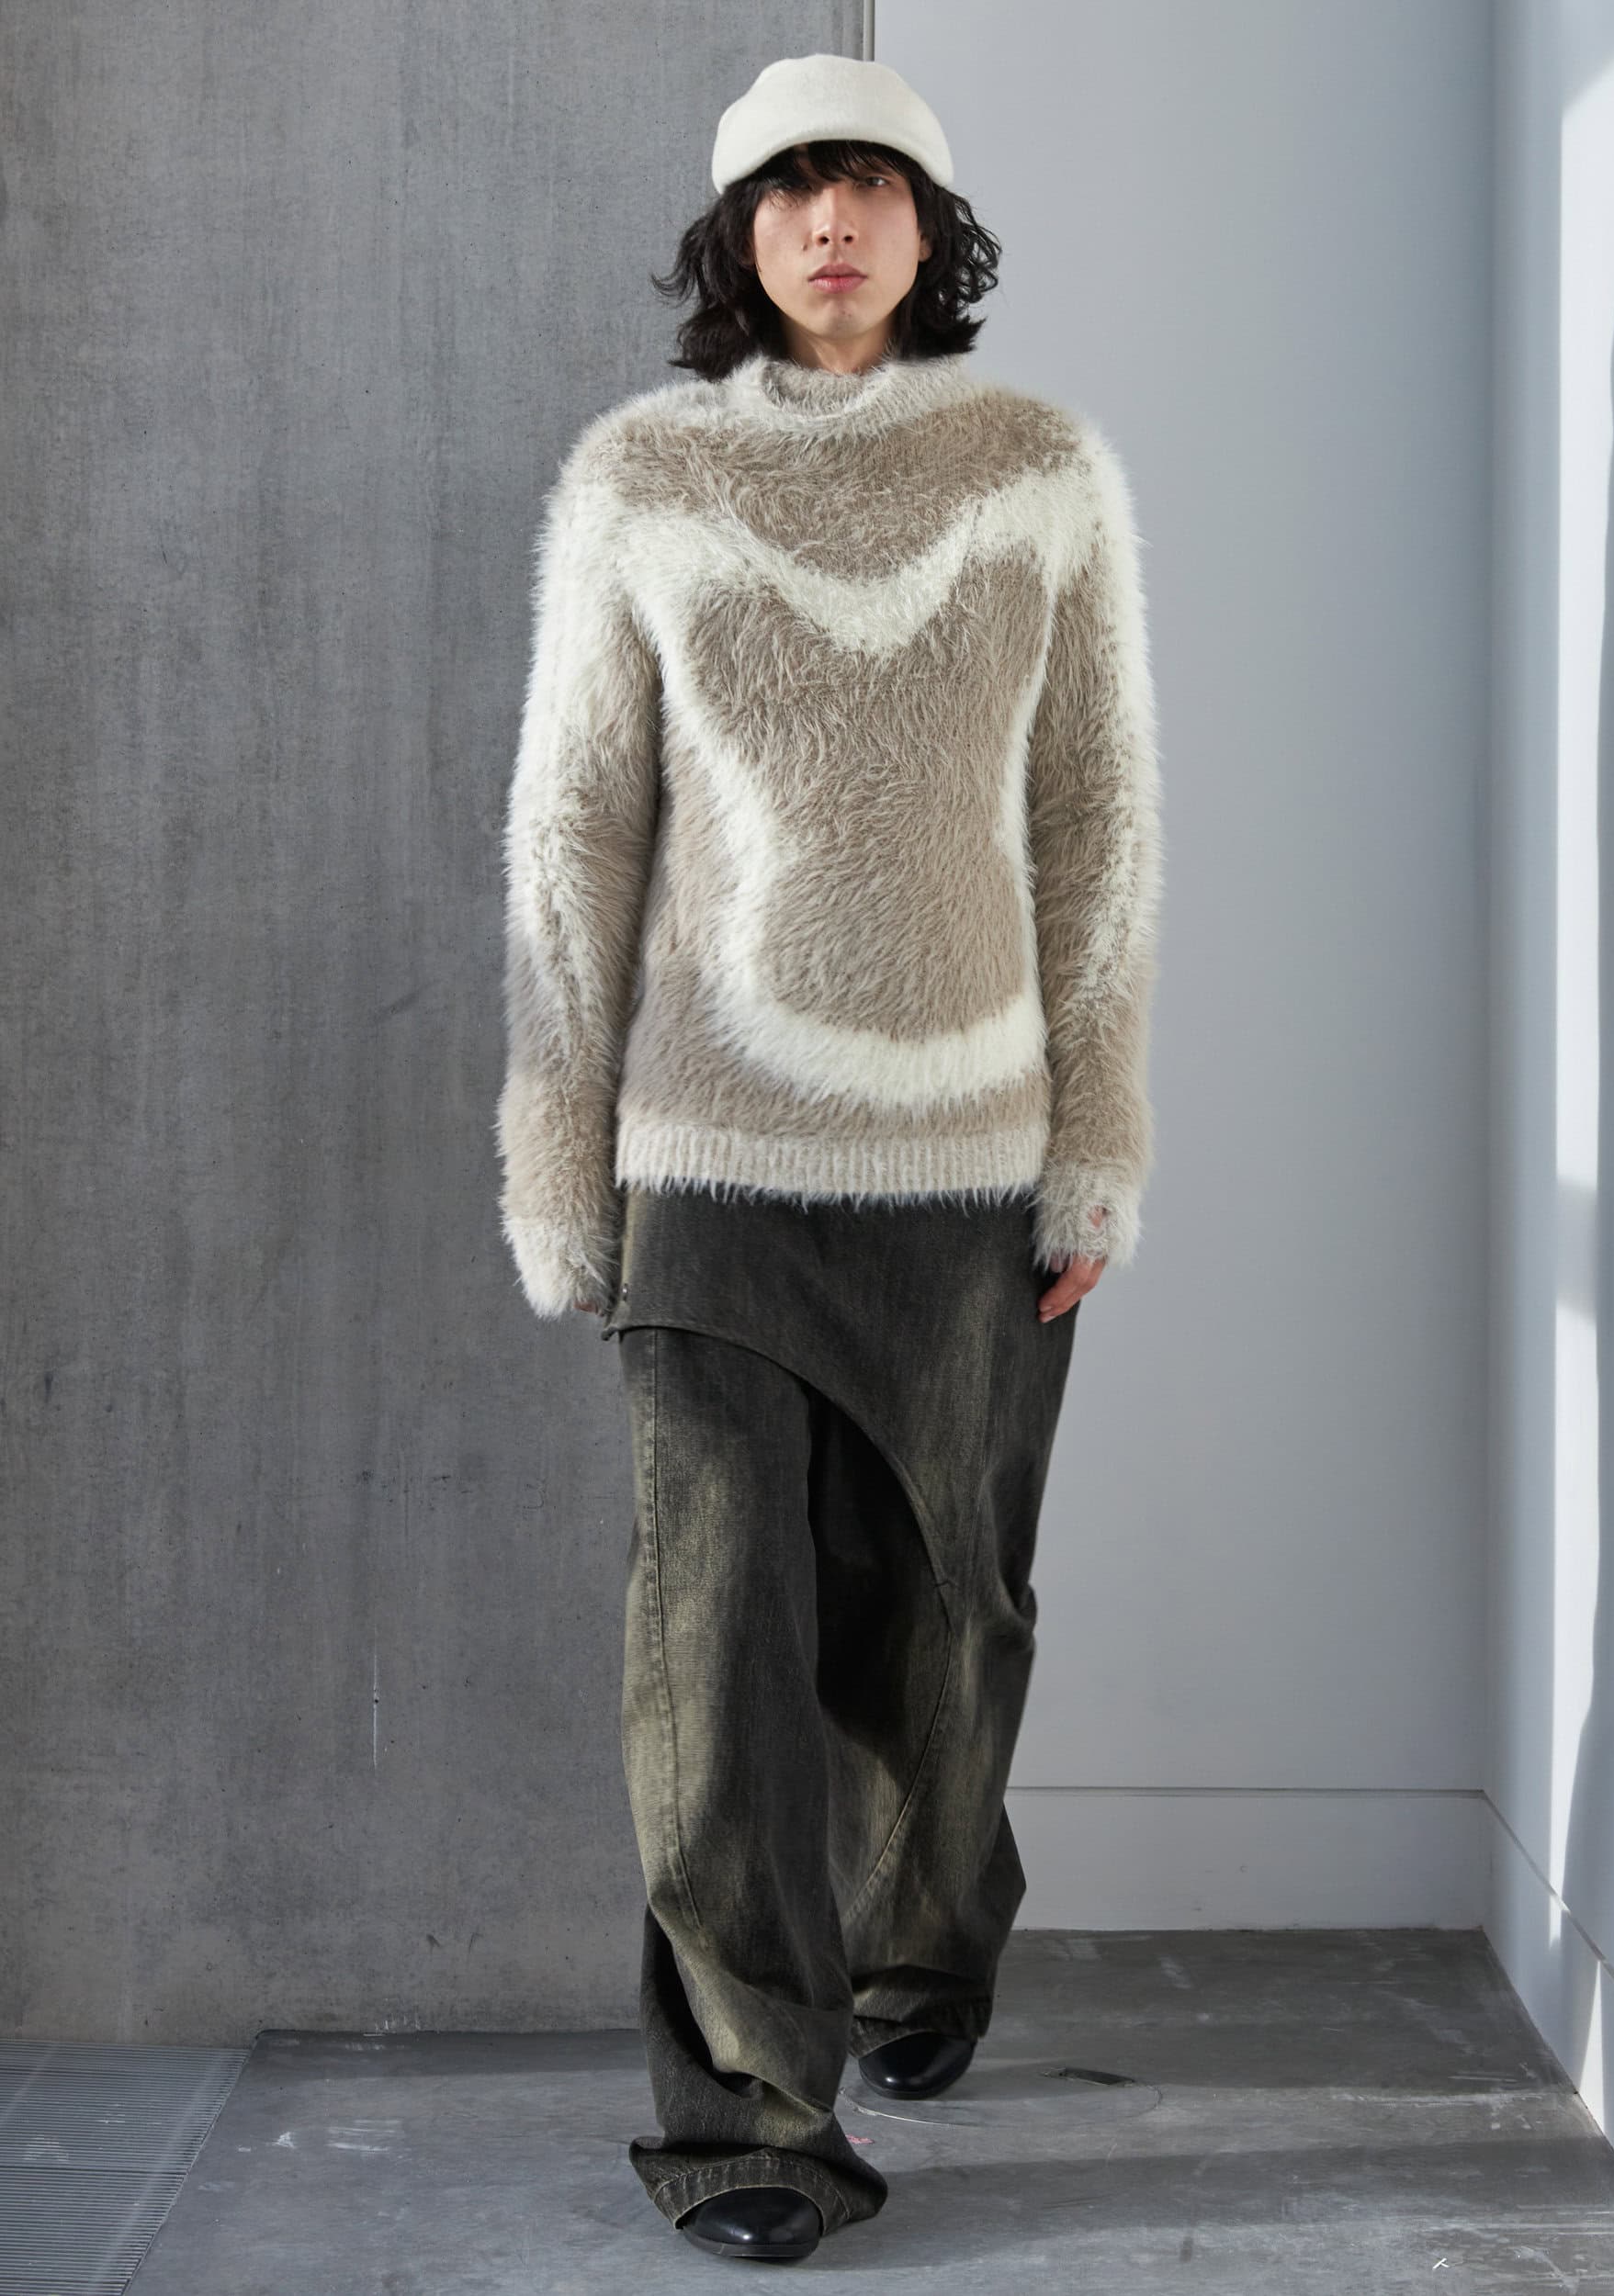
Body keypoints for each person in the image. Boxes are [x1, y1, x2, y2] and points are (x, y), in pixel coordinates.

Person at [494, 50, 1164, 2267]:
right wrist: (556, 1150)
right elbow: (575, 831)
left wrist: (1096, 1136)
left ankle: (918, 1940)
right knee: (713, 1652)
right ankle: (747, 2117)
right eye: (791, 188)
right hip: (707, 1159)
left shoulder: (1039, 470)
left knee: (946, 1625)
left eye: (871, 183)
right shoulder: (642, 477)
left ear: (929, 227)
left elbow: (1095, 818)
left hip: (970, 1159)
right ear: (739, 233)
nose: (832, 222)